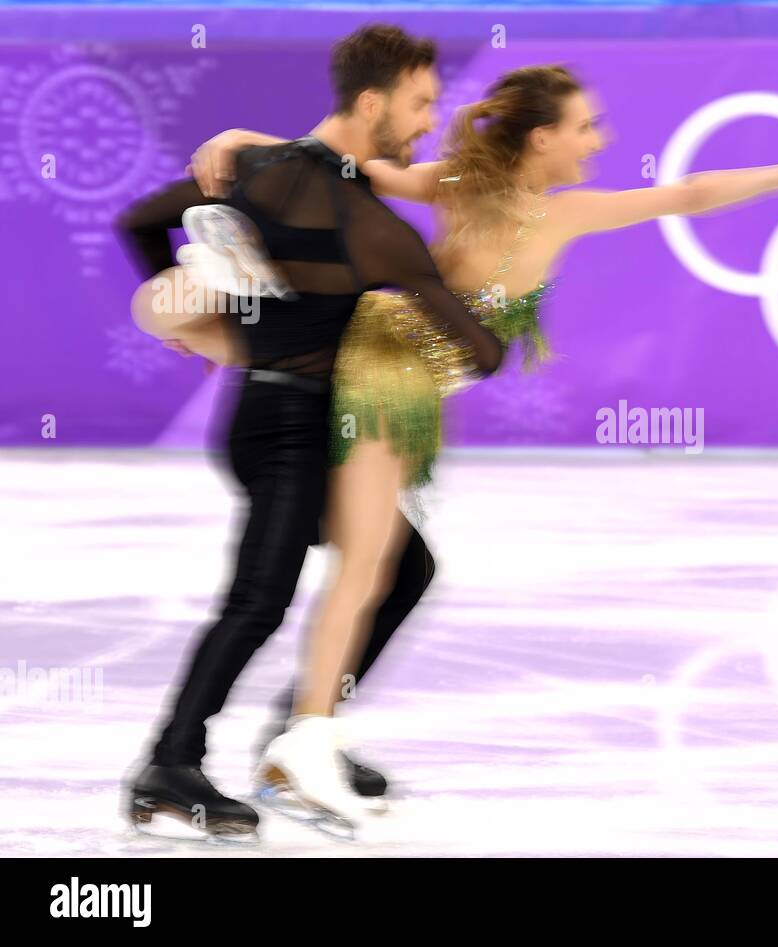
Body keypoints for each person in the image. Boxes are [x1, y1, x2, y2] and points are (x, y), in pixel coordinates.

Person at [159, 63, 778, 832]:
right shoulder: (547, 210)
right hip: (386, 376)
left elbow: (350, 165)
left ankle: (303, 733)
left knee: (388, 568)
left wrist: (251, 140)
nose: (601, 139)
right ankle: (298, 746)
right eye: (586, 126)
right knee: (363, 569)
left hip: (398, 373)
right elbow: (684, 194)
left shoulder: (462, 184)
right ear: (542, 139)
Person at [114, 23, 501, 841]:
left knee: (404, 567)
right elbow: (479, 351)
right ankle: (170, 760)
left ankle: (304, 728)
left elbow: (141, 224)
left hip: (282, 416)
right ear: (373, 102)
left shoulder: (257, 169)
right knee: (260, 597)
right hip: (294, 427)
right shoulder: (371, 227)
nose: (430, 119)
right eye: (421, 102)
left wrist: (202, 324)